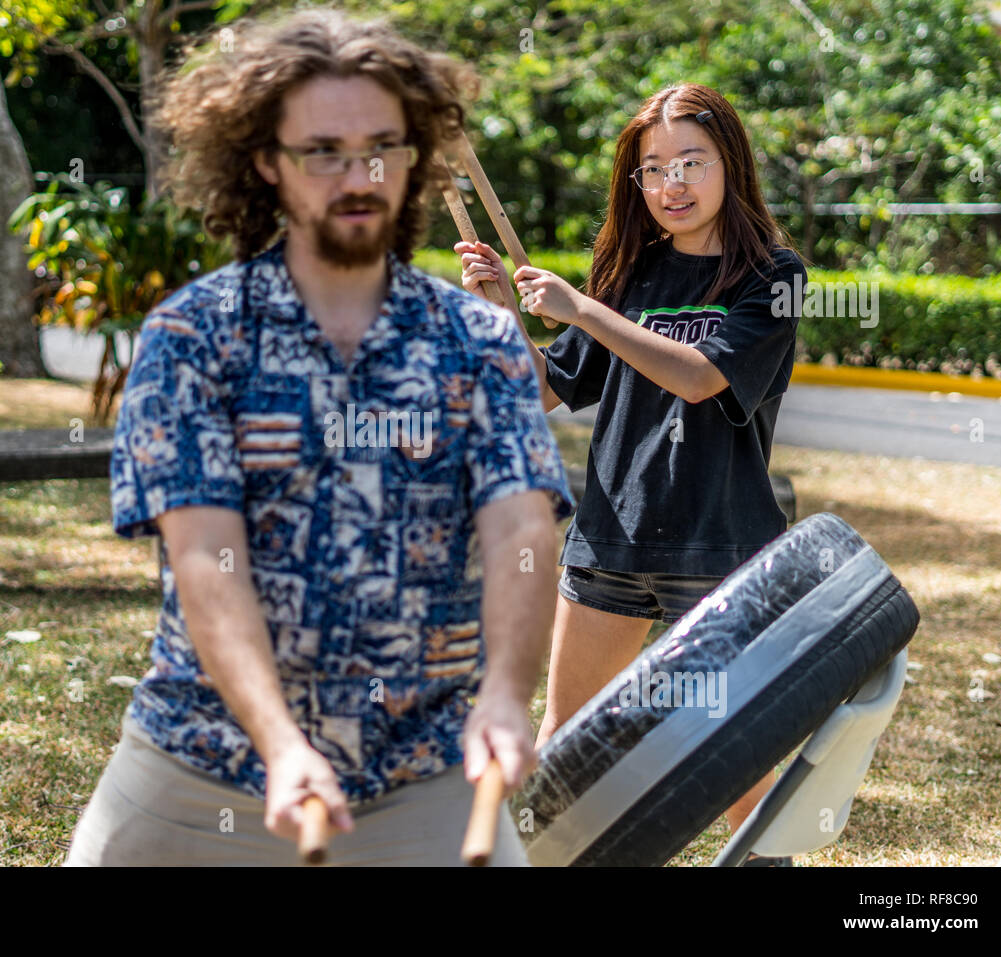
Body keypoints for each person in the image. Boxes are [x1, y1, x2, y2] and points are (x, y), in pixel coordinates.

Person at [64, 7, 574, 867]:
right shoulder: (193, 337)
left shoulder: (479, 341)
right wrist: (281, 742)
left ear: (415, 156)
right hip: (200, 762)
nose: (359, 174)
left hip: (421, 770)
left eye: (382, 146)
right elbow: (205, 557)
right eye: (324, 151)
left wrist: (503, 694)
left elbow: (520, 530)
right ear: (267, 161)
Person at [457, 84, 807, 866]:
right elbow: (546, 389)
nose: (671, 184)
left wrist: (582, 308)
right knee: (565, 742)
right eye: (653, 169)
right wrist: (500, 312)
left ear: (731, 164)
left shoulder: (772, 276)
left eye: (692, 162)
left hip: (718, 547)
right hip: (610, 540)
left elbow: (700, 377)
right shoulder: (629, 272)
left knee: (733, 753)